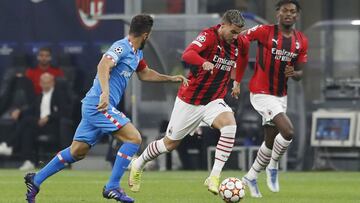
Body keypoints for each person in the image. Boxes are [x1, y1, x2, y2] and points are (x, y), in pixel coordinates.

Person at [24, 14, 188, 203]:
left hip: (95, 106)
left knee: (77, 151)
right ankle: (112, 187)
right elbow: (104, 64)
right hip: (99, 105)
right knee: (133, 138)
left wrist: (171, 78)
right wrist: (105, 92)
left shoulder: (137, 53)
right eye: (148, 35)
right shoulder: (122, 46)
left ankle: (36, 180)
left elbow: (144, 74)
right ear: (145, 35)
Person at [129, 9, 249, 195]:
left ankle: (214, 176)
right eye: (233, 32)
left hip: (213, 100)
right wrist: (203, 62)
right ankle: (139, 163)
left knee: (230, 125)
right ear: (223, 25)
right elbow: (187, 54)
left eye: (238, 32)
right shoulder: (208, 36)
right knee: (169, 144)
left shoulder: (239, 41)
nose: (236, 36)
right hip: (190, 101)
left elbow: (243, 58)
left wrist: (237, 81)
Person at [233, 0, 308, 198]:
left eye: (293, 11)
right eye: (285, 11)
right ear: (278, 13)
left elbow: (300, 73)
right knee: (288, 131)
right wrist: (235, 69)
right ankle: (273, 166)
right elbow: (241, 39)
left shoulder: (301, 40)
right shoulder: (264, 31)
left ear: (297, 16)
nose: (289, 14)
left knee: (270, 139)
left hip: (281, 94)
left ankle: (250, 176)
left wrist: (295, 73)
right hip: (261, 92)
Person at [0, 73, 66, 170]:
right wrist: (19, 111)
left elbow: (64, 110)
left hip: (52, 126)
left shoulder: (59, 95)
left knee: (27, 120)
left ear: (52, 83)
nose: (45, 85)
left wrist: (49, 117)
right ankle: (28, 161)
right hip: (38, 125)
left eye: (48, 82)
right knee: (27, 131)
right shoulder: (39, 96)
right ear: (40, 83)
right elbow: (31, 109)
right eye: (43, 82)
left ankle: (9, 145)